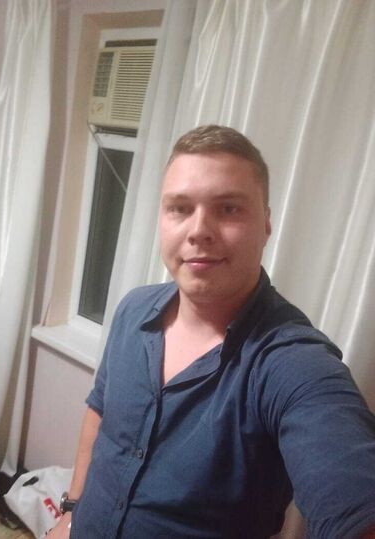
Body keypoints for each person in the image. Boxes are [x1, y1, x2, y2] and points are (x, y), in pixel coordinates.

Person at [47, 125, 375, 539]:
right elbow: (99, 413)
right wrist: (70, 512)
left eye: (229, 208)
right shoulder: (132, 310)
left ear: (266, 224)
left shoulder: (292, 362)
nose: (199, 229)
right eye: (179, 208)